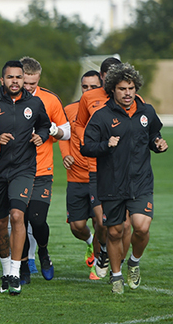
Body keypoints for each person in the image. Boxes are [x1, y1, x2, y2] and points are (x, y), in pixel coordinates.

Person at [82, 63, 167, 294]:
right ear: (112, 89)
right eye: (122, 89)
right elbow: (86, 147)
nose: (127, 93)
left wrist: (158, 144)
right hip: (112, 183)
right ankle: (117, 276)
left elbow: (153, 134)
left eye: (131, 88)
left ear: (136, 88)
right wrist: (105, 145)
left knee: (141, 227)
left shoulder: (147, 112)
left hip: (141, 181)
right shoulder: (101, 116)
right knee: (114, 232)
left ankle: (134, 262)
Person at [0, 60, 50, 296]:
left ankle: (16, 273)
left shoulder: (35, 103)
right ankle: (6, 270)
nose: (15, 81)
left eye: (19, 77)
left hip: (23, 169)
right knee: (0, 223)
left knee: (17, 215)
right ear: (2, 80)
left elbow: (45, 125)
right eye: (10, 77)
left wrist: (40, 136)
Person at [74, 57, 128, 279]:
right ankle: (104, 250)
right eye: (110, 75)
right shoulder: (89, 97)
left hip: (124, 170)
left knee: (125, 224)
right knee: (102, 221)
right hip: (97, 167)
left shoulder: (131, 97)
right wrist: (89, 141)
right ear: (102, 76)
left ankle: (119, 266)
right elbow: (79, 124)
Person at [18, 56, 70, 283]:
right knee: (18, 221)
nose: (29, 87)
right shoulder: (5, 100)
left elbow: (67, 132)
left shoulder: (50, 99)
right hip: (15, 172)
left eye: (33, 83)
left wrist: (52, 130)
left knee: (37, 220)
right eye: (25, 82)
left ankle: (43, 251)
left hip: (42, 171)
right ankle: (23, 266)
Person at [59, 70, 104, 280]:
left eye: (93, 87)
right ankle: (90, 242)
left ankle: (97, 262)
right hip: (76, 177)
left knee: (99, 222)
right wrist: (66, 155)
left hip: (100, 176)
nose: (88, 91)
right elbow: (64, 135)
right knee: (76, 226)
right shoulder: (70, 110)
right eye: (85, 86)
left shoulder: (106, 110)